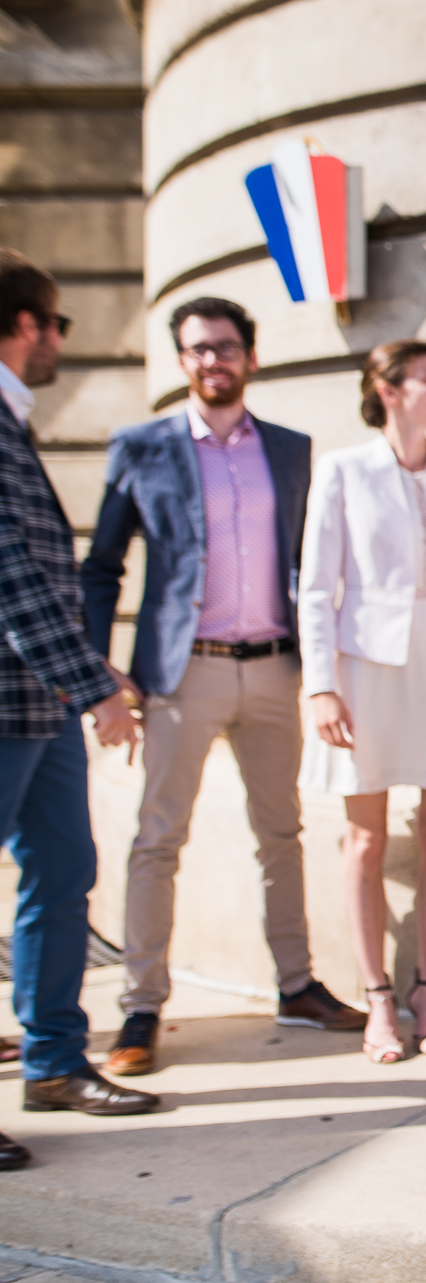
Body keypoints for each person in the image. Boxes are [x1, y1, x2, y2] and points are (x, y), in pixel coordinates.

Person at [83, 296, 366, 1079]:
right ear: (182, 360)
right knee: (157, 838)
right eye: (200, 349)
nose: (214, 360)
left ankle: (297, 984)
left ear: (250, 354)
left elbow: (312, 566)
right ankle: (141, 1005)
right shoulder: (140, 448)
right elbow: (102, 564)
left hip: (276, 668)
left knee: (282, 832)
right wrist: (97, 660)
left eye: (227, 347)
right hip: (181, 673)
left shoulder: (289, 448)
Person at [299, 341, 426, 1064]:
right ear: (386, 389)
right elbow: (317, 586)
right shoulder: (343, 470)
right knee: (366, 838)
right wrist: (320, 683)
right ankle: (377, 999)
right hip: (367, 666)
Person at [0, 247, 158, 1166]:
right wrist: (95, 681)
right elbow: (13, 575)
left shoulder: (16, 418)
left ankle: (55, 1060)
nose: (62, 339)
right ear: (26, 325)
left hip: (42, 697)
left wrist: (91, 671)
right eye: (56, 323)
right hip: (18, 695)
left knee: (64, 872)